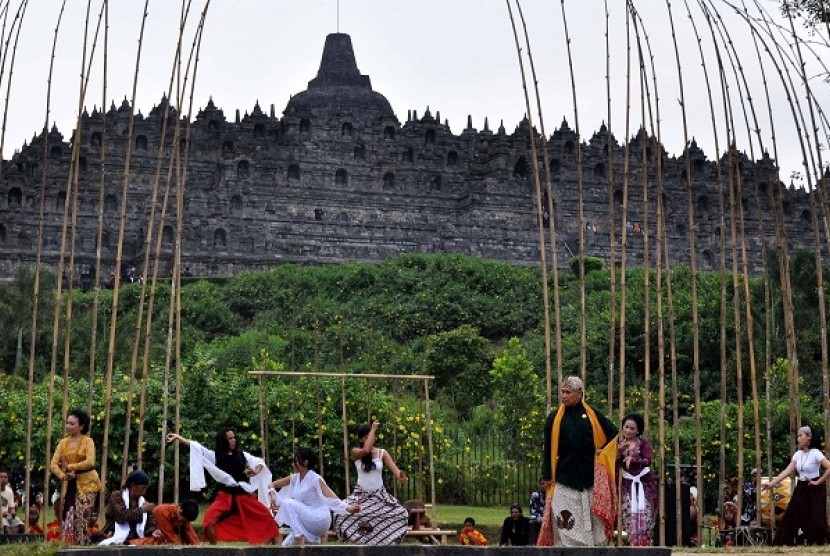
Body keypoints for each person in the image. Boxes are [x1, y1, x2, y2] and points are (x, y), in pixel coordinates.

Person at [538, 376, 618, 547]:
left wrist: (602, 452)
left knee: (595, 524)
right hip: (565, 479)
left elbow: (614, 435)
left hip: (590, 480)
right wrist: (546, 475)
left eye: (568, 392)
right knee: (564, 520)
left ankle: (592, 550)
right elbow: (548, 449)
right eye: (562, 392)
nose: (564, 396)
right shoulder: (554, 418)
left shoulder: (593, 415)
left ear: (580, 393)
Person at [167, 428, 280, 544]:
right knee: (208, 523)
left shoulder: (242, 455)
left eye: (234, 437)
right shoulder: (215, 456)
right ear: (223, 441)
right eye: (230, 438)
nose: (233, 440)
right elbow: (197, 448)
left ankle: (278, 549)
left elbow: (258, 462)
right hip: (225, 496)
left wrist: (255, 471)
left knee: (269, 521)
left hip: (244, 496)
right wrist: (179, 438)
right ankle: (216, 551)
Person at [335, 420, 409, 545]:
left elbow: (397, 472)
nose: (371, 439)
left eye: (371, 436)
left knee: (400, 513)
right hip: (361, 495)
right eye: (366, 437)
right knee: (340, 513)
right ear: (360, 439)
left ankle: (384, 540)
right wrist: (373, 429)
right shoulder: (356, 452)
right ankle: (358, 539)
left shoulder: (382, 453)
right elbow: (365, 450)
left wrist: (401, 476)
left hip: (380, 496)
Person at [269, 447, 361, 545]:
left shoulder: (315, 479)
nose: (293, 464)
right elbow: (272, 484)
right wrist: (273, 495)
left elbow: (331, 496)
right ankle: (306, 538)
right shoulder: (294, 478)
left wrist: (348, 508)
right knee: (284, 547)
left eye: (295, 461)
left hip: (319, 518)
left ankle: (299, 536)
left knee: (287, 502)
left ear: (305, 462)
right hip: (306, 520)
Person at [763, 425, 830, 545]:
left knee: (816, 518)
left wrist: (819, 481)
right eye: (798, 436)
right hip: (801, 487)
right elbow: (787, 471)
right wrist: (771, 483)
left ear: (808, 437)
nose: (798, 438)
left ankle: (817, 542)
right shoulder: (797, 454)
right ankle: (788, 542)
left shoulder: (816, 453)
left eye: (801, 436)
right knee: (792, 513)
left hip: (815, 488)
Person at [49, 409, 103, 544]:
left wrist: (70, 467)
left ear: (81, 426)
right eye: (67, 423)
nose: (68, 426)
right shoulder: (63, 443)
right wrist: (64, 476)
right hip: (70, 484)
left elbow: (90, 462)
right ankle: (70, 546)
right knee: (68, 517)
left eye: (72, 424)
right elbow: (53, 465)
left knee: (82, 517)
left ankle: (83, 547)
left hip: (88, 484)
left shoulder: (88, 441)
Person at [616, 412, 657, 546]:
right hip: (627, 485)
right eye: (626, 427)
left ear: (638, 430)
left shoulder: (644, 444)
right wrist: (619, 453)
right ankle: (632, 545)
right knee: (628, 513)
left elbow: (648, 460)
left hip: (644, 485)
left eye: (632, 428)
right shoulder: (619, 444)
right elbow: (614, 462)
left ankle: (646, 545)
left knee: (646, 513)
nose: (628, 431)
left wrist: (633, 459)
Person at [99, 469, 156, 545]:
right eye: (143, 488)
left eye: (146, 488)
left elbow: (148, 521)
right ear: (133, 485)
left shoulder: (142, 501)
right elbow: (121, 516)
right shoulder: (117, 496)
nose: (145, 491)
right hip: (115, 533)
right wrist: (142, 509)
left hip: (136, 537)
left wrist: (153, 531)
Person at [130, 500, 200, 545]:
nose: (182, 522)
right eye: (183, 520)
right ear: (180, 511)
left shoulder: (185, 514)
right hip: (146, 536)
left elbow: (191, 534)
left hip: (162, 536)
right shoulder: (162, 511)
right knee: (161, 540)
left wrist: (198, 549)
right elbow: (170, 536)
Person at [0, 468, 23, 534]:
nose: (3, 479)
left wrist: (13, 513)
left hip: (7, 516)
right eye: (1, 477)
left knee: (17, 521)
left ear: (7, 479)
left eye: (5, 477)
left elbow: (11, 507)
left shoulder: (9, 491)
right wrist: (2, 514)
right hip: (1, 517)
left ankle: (13, 539)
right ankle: (10, 539)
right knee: (4, 522)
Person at [528, 478, 545, 545]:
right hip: (539, 518)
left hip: (550, 520)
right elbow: (533, 511)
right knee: (532, 523)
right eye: (541, 484)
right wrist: (541, 519)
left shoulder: (553, 495)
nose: (542, 486)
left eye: (544, 483)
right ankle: (532, 546)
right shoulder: (535, 495)